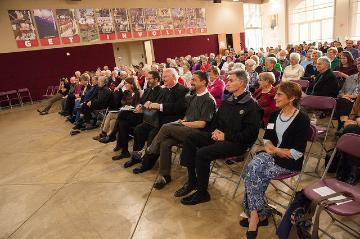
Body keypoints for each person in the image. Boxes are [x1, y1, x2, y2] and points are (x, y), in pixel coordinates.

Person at [175, 69, 261, 206]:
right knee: (191, 138)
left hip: (237, 143)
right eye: (228, 80)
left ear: (242, 82)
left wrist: (225, 136)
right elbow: (216, 121)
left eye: (231, 80)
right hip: (220, 137)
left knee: (202, 153)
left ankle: (203, 193)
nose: (227, 82)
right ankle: (192, 181)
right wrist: (215, 131)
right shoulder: (229, 101)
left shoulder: (252, 105)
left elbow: (250, 135)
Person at [241, 81, 309, 239]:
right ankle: (258, 214)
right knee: (254, 167)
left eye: (279, 94)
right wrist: (273, 148)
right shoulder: (274, 114)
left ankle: (256, 217)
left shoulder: (302, 119)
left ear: (292, 98)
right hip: (271, 156)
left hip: (289, 164)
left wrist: (275, 150)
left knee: (253, 173)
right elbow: (267, 139)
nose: (275, 97)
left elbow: (296, 153)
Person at [132, 71, 216, 189]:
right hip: (187, 126)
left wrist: (184, 123)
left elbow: (202, 124)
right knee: (165, 143)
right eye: (191, 79)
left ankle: (148, 151)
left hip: (198, 133)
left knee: (166, 127)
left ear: (203, 82)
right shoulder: (193, 96)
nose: (190, 82)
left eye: (194, 80)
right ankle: (164, 176)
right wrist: (181, 122)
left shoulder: (209, 100)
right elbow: (187, 115)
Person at [126, 68, 189, 173]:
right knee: (139, 129)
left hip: (170, 121)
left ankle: (147, 163)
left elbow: (178, 107)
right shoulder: (164, 89)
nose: (163, 79)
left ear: (174, 77)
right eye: (163, 77)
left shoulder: (183, 90)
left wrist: (160, 106)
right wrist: (149, 103)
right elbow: (157, 101)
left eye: (166, 77)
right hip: (157, 120)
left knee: (153, 134)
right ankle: (135, 157)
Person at [104, 71, 163, 157]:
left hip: (148, 118)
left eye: (149, 79)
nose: (147, 80)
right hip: (140, 114)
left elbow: (156, 106)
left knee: (122, 114)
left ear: (156, 79)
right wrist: (140, 106)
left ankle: (112, 136)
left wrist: (143, 108)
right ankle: (124, 151)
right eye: (147, 78)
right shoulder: (147, 90)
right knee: (122, 123)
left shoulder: (161, 91)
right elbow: (141, 102)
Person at [335, 58, 360, 130]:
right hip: (346, 100)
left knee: (342, 102)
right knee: (342, 100)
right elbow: (340, 92)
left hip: (358, 102)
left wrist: (354, 96)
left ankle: (343, 125)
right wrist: (344, 95)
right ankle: (345, 125)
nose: (359, 65)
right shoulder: (350, 78)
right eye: (358, 64)